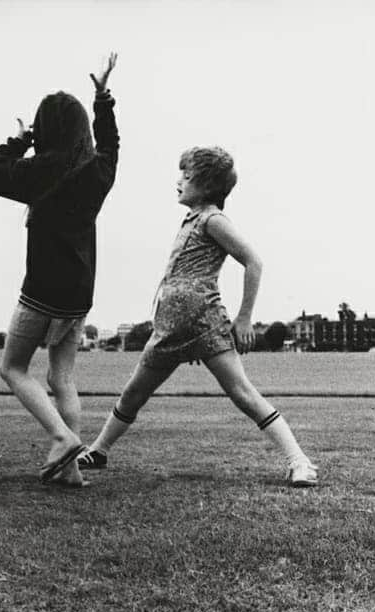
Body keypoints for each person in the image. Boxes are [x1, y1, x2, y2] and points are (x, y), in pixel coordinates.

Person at [77, 146, 319, 487]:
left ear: (205, 185)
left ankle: (299, 461)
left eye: (186, 177)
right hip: (169, 331)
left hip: (206, 325)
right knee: (133, 394)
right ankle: (99, 451)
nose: (178, 182)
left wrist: (244, 318)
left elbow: (254, 262)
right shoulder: (190, 219)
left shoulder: (213, 220)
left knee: (242, 393)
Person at [0, 53, 119, 486]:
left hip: (42, 287)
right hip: (81, 291)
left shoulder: (37, 171)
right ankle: (72, 474)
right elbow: (111, 145)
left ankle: (62, 438)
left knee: (12, 368)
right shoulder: (97, 171)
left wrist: (18, 140)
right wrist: (102, 99)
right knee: (61, 376)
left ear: (45, 131)